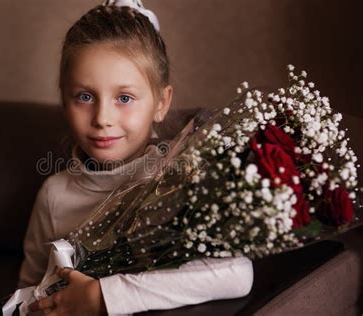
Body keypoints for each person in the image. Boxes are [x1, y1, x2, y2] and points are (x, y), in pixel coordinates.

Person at [19, 1, 254, 315]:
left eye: (124, 98)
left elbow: (236, 274)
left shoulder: (179, 177)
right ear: (64, 99)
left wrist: (102, 296)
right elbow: (29, 291)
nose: (102, 117)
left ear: (161, 102)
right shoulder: (54, 195)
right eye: (85, 97)